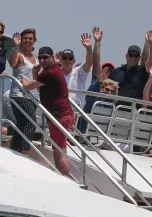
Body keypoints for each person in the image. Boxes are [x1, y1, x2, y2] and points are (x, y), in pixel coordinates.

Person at [23, 47, 75, 177]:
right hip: (64, 115)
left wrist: (21, 80)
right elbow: (41, 90)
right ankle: (66, 177)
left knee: (58, 151)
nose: (42, 60)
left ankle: (66, 179)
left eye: (45, 57)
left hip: (59, 117)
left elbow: (29, 86)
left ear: (52, 58)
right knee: (60, 148)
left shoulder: (49, 73)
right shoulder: (53, 70)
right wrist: (36, 74)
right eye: (40, 57)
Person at [8, 28, 39, 154]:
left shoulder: (35, 57)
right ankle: (24, 153)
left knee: (22, 124)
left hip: (33, 95)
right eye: (25, 38)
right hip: (19, 95)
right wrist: (15, 46)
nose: (28, 40)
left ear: (34, 41)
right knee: (31, 123)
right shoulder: (19, 54)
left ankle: (14, 152)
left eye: (30, 38)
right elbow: (12, 63)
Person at [108, 29, 152, 100]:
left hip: (134, 109)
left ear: (139, 58)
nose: (133, 58)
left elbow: (151, 62)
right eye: (131, 55)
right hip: (115, 108)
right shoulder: (116, 72)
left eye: (136, 56)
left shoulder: (141, 71)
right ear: (126, 56)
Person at [59, 32, 94, 104]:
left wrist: (89, 49)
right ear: (60, 60)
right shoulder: (55, 73)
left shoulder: (79, 72)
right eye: (65, 58)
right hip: (59, 111)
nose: (67, 60)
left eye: (70, 58)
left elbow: (89, 63)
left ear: (74, 61)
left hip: (77, 111)